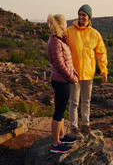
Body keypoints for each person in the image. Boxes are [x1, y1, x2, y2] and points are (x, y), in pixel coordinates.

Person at [67, 4, 108, 139]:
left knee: (86, 101)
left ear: (89, 17)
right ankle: (74, 128)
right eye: (79, 14)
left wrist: (103, 71)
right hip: (74, 74)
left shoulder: (95, 34)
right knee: (74, 102)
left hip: (88, 74)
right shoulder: (69, 31)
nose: (81, 17)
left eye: (84, 15)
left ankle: (85, 125)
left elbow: (101, 53)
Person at [47, 14, 79, 153]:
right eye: (65, 23)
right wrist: (72, 77)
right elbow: (60, 65)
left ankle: (62, 136)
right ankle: (55, 145)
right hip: (61, 81)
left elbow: (66, 61)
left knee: (61, 110)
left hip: (62, 80)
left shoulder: (59, 39)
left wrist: (74, 71)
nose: (66, 25)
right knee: (58, 113)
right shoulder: (55, 41)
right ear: (60, 24)